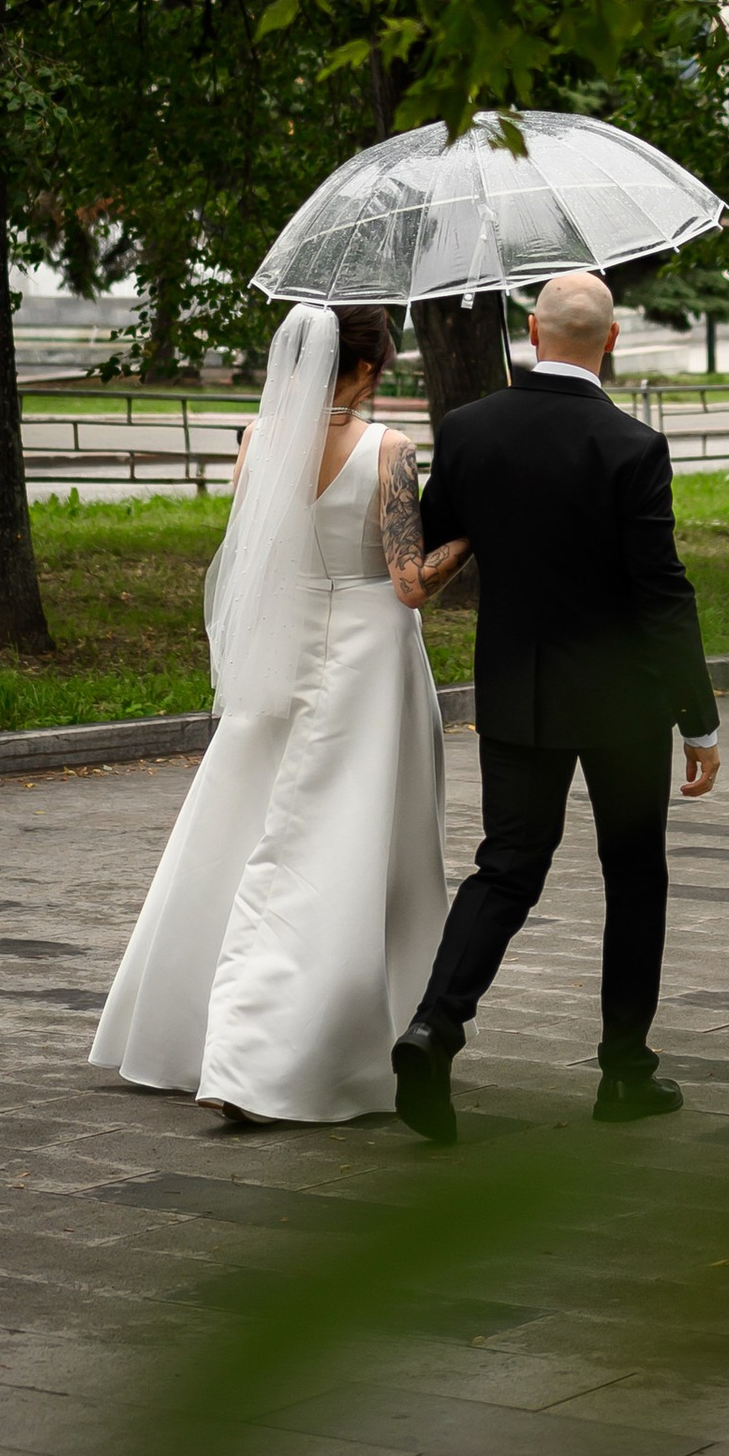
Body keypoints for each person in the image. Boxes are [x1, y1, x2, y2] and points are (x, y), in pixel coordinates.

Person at [89, 302, 469, 1127]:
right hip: (369, 659)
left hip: (282, 647)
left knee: (244, 829)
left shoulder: (259, 439)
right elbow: (410, 581)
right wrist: (471, 533)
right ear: (365, 367)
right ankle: (273, 1054)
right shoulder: (389, 449)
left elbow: (257, 549)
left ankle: (191, 1029)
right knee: (348, 844)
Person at [391, 266, 720, 1146]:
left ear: (533, 334)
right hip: (623, 699)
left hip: (518, 686)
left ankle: (433, 1027)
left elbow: (435, 540)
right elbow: (661, 589)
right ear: (610, 340)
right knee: (634, 872)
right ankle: (624, 1072)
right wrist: (698, 716)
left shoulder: (469, 430)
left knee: (506, 864)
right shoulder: (633, 446)